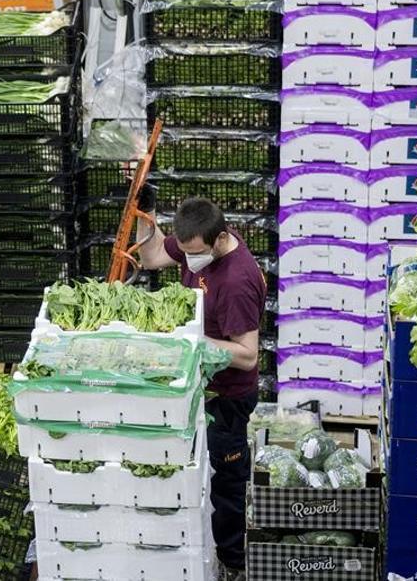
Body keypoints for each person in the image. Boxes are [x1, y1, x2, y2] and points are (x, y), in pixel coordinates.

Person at [137, 195, 265, 581]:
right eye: (187, 252)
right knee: (198, 475)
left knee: (226, 484)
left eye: (196, 254)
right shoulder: (198, 240)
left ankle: (233, 563)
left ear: (222, 238)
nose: (188, 260)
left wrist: (192, 341)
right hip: (202, 388)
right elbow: (153, 256)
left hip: (228, 398)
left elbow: (247, 355)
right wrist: (145, 215)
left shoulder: (237, 280)